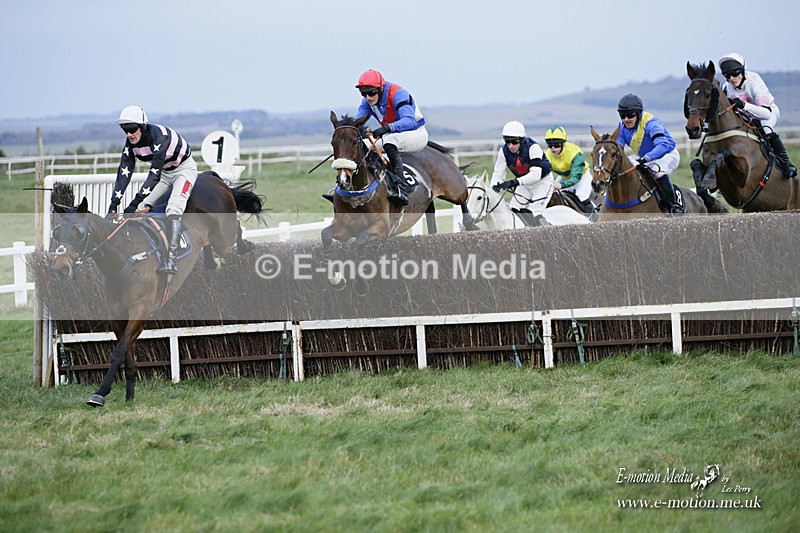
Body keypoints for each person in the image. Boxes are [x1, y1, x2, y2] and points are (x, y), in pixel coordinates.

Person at [109, 105, 197, 275]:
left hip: (183, 170)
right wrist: (113, 205)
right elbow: (123, 173)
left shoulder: (159, 138)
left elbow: (153, 175)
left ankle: (171, 259)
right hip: (165, 172)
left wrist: (133, 204)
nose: (129, 134)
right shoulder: (130, 144)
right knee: (142, 206)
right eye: (124, 130)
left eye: (132, 129)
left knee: (173, 208)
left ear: (142, 126)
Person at [354, 69, 428, 206]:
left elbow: (410, 121)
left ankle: (400, 188)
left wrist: (387, 128)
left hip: (416, 133)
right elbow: (356, 122)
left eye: (371, 92)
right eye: (363, 93)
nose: (368, 97)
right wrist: (357, 130)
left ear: (380, 89)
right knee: (361, 145)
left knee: (390, 141)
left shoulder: (398, 94)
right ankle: (350, 188)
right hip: (393, 135)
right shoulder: (367, 102)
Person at [719, 52, 797, 178]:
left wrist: (744, 105)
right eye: (727, 76)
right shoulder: (726, 87)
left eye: (735, 74)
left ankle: (787, 164)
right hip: (746, 117)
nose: (731, 79)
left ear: (743, 71)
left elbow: (765, 114)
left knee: (766, 130)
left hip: (767, 113)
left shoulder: (754, 81)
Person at [615, 94, 683, 214]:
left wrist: (645, 158)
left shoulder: (651, 122)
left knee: (657, 171)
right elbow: (619, 147)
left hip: (667, 154)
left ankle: (674, 205)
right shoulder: (622, 127)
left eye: (630, 115)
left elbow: (663, 145)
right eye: (622, 116)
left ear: (638, 114)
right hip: (645, 156)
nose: (626, 119)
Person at [490, 121, 554, 227]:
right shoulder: (503, 151)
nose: (510, 146)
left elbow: (535, 175)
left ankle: (548, 239)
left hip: (542, 182)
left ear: (521, 140)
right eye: (507, 141)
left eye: (514, 142)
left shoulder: (533, 147)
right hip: (524, 184)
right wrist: (494, 187)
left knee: (534, 212)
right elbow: (498, 173)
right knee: (513, 211)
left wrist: (513, 182)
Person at [543, 125, 595, 214]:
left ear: (563, 143)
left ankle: (594, 219)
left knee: (581, 196)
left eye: (556, 145)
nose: (553, 148)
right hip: (564, 177)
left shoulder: (574, 152)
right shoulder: (547, 155)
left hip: (581, 176)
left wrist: (561, 185)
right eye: (550, 145)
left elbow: (575, 177)